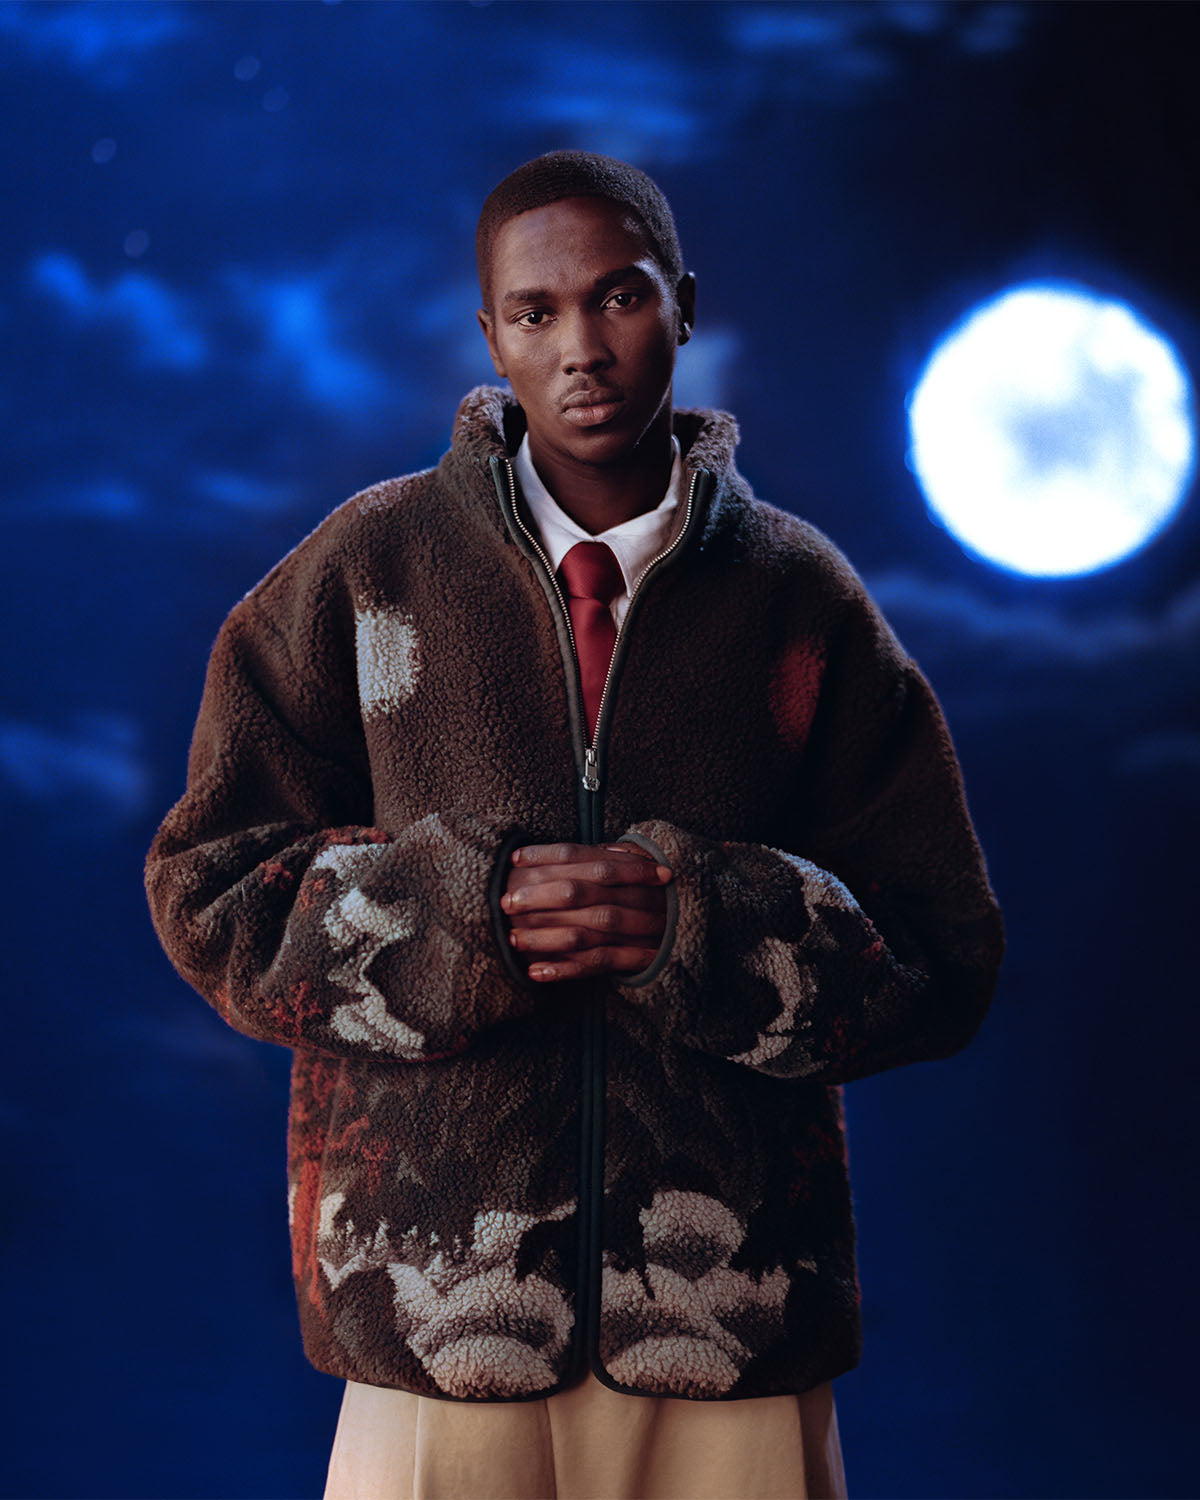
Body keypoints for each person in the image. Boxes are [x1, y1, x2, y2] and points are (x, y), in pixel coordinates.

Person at [145, 150, 1005, 1499]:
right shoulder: (361, 572)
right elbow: (208, 891)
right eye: (535, 313)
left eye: (617, 298)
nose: (580, 349)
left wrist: (708, 924)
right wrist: (446, 915)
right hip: (431, 1314)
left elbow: (944, 953)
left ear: (685, 308)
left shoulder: (802, 602)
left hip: (736, 1319)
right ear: (488, 334)